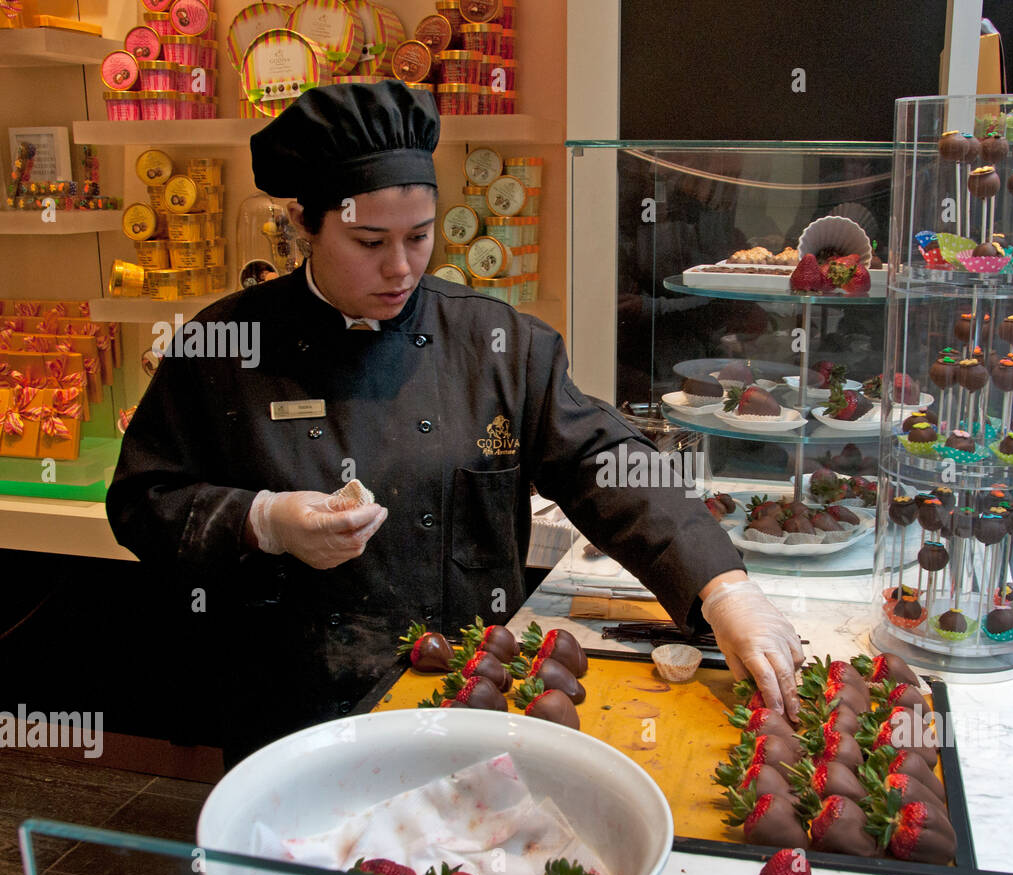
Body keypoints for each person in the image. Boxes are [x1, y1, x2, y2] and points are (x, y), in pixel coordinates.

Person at [106, 83, 804, 766]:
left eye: (420, 236)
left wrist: (722, 586)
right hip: (292, 720)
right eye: (369, 240)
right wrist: (262, 520)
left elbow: (603, 461)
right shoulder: (224, 344)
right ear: (303, 223)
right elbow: (143, 500)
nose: (402, 266)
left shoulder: (495, 343)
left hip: (465, 708)